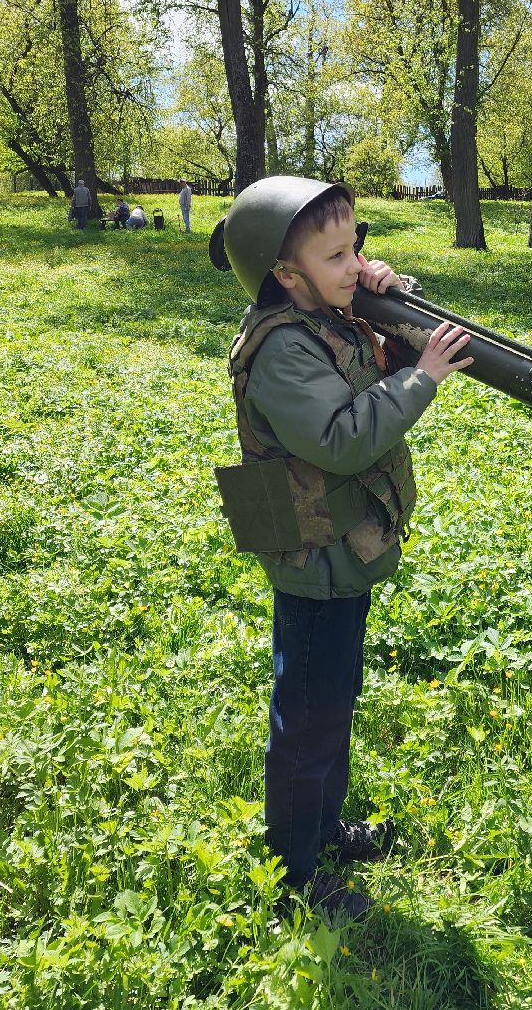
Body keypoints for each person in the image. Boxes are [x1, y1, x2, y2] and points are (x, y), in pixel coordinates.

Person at [212, 177, 473, 920]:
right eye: (336, 254)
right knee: (307, 720)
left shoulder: (330, 308)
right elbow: (340, 439)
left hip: (338, 557)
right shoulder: (281, 353)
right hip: (310, 561)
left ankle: (322, 829)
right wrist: (420, 383)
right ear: (286, 277)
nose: (355, 261)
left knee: (332, 704)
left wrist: (395, 291)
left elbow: (380, 341)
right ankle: (293, 878)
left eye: (357, 244)